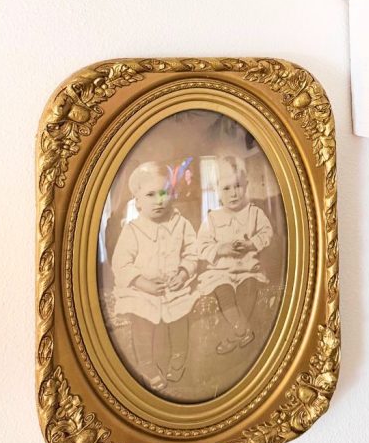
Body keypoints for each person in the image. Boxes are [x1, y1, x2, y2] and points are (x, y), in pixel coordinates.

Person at [111, 161, 198, 391]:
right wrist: (141, 282)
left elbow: (192, 252)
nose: (159, 200)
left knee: (181, 313)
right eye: (150, 194)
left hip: (173, 286)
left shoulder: (181, 224)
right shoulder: (133, 230)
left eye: (164, 193)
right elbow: (121, 264)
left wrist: (183, 272)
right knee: (140, 317)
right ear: (137, 202)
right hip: (142, 290)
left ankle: (179, 355)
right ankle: (147, 364)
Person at [197, 155, 273, 354]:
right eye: (226, 188)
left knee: (248, 288)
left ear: (246, 185)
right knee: (224, 292)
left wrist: (251, 244)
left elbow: (267, 233)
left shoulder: (254, 213)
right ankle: (242, 330)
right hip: (222, 272)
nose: (233, 193)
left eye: (237, 186)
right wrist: (220, 249)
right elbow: (201, 246)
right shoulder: (212, 218)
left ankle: (233, 335)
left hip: (247, 269)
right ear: (217, 191)